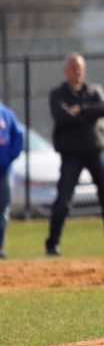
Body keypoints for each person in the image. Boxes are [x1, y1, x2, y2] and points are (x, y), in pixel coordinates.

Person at [45, 53, 104, 256]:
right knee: (64, 198)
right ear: (65, 71)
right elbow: (61, 116)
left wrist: (80, 109)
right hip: (71, 153)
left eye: (80, 67)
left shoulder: (93, 90)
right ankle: (52, 243)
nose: (78, 71)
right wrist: (86, 115)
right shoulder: (57, 93)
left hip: (94, 149)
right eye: (74, 67)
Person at [0, 100, 25, 259]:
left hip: (4, 170)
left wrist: (9, 158)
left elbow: (18, 135)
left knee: (3, 210)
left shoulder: (5, 112)